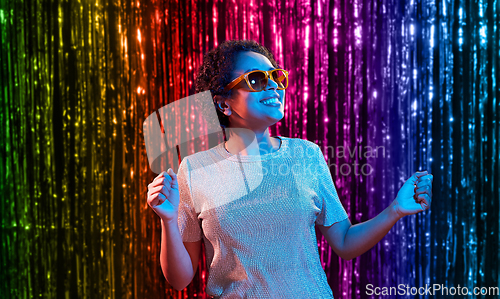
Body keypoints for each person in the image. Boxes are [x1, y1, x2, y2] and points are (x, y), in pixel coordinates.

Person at [146, 40, 433, 298]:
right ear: (223, 103)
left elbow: (344, 243)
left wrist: (395, 209)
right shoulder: (195, 169)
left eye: (276, 76)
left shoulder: (307, 155)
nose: (273, 86)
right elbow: (180, 280)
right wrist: (169, 221)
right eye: (256, 80)